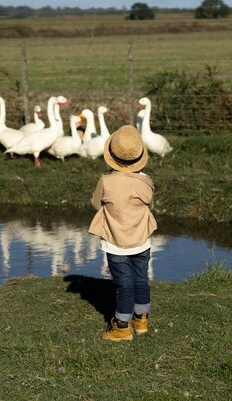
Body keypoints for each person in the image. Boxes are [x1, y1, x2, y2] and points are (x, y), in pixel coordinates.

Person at [88, 125, 157, 342]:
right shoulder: (145, 181)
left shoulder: (106, 181)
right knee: (141, 279)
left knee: (124, 283)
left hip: (115, 242)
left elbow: (95, 203)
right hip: (141, 240)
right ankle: (142, 320)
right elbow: (150, 204)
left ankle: (122, 326)